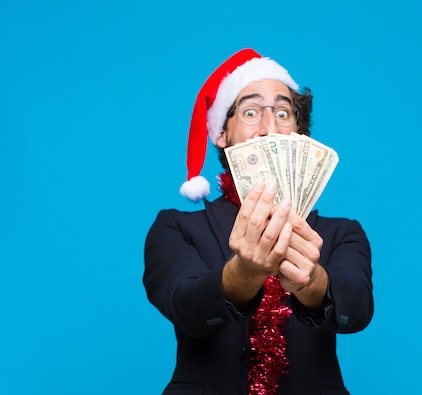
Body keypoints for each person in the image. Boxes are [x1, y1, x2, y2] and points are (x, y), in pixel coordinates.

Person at [143, 48, 374, 395]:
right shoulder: (176, 228)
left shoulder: (341, 233)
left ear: (301, 134)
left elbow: (357, 309)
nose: (269, 128)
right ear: (222, 133)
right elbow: (186, 307)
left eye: (284, 113)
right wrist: (245, 273)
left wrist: (311, 281)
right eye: (251, 112)